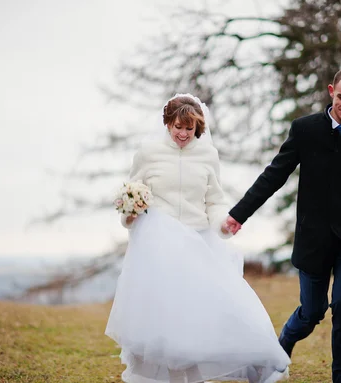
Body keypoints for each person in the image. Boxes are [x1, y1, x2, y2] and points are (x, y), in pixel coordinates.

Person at [223, 69, 341, 383]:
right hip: (313, 238)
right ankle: (284, 342)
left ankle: (340, 378)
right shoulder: (305, 130)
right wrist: (239, 214)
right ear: (331, 91)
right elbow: (274, 175)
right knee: (312, 312)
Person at [105, 94, 291, 383]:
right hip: (159, 249)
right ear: (167, 123)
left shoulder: (208, 155)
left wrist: (224, 225)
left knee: (204, 313)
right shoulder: (148, 153)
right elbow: (133, 193)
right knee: (167, 318)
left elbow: (214, 201)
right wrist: (128, 214)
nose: (182, 134)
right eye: (178, 126)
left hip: (197, 242)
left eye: (189, 129)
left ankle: (207, 372)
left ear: (198, 129)